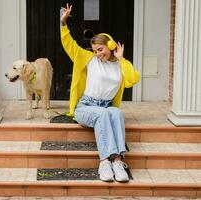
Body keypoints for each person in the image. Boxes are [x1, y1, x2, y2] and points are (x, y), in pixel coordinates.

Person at [60, 3, 140, 182]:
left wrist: (122, 59)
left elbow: (132, 79)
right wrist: (63, 23)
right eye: (95, 50)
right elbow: (69, 45)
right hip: (85, 107)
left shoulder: (120, 64)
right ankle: (104, 161)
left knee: (117, 113)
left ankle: (118, 162)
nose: (97, 53)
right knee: (104, 114)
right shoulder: (89, 60)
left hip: (106, 106)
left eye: (100, 49)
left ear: (110, 46)